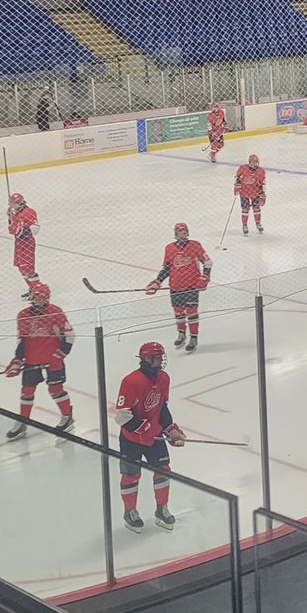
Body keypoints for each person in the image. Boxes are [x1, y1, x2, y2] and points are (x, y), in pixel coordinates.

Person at [114, 341, 185, 533]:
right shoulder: (131, 382)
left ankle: (162, 509)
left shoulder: (163, 378)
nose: (161, 361)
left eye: (161, 357)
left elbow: (162, 407)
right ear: (146, 359)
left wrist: (170, 429)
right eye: (157, 358)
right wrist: (143, 429)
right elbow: (122, 415)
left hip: (153, 438)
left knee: (163, 470)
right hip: (131, 440)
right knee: (131, 475)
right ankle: (130, 512)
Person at [3, 281, 74, 438]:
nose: (38, 301)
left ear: (47, 299)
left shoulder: (55, 312)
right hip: (32, 359)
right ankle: (23, 422)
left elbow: (69, 336)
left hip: (53, 358)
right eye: (36, 298)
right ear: (31, 298)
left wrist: (59, 355)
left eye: (42, 299)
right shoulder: (23, 315)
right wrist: (17, 360)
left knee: (55, 389)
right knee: (27, 390)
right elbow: (22, 340)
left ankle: (67, 417)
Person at [145, 223, 211, 352]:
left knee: (192, 312)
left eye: (184, 231)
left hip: (192, 285)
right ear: (175, 234)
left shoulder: (195, 245)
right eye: (179, 232)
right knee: (179, 312)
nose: (182, 234)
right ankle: (181, 333)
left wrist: (205, 277)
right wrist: (157, 282)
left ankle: (193, 337)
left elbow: (208, 262)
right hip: (175, 286)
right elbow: (167, 268)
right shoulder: (169, 248)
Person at [7, 192, 40, 298]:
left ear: (19, 203)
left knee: (28, 269)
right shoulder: (16, 213)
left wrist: (20, 229)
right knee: (21, 267)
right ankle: (32, 288)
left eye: (12, 204)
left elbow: (35, 229)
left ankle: (37, 290)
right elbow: (14, 228)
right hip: (19, 243)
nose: (11, 206)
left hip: (27, 243)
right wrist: (10, 219)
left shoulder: (29, 212)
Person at [233, 154, 267, 235]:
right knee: (245, 209)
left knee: (256, 208)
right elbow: (237, 178)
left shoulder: (261, 171)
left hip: (255, 193)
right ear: (249, 162)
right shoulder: (242, 168)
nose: (255, 164)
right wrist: (237, 187)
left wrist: (263, 194)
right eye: (253, 162)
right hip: (244, 193)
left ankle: (258, 223)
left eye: (256, 162)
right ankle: (244, 225)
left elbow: (263, 184)